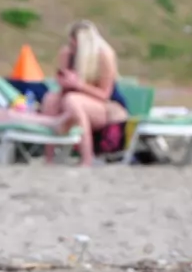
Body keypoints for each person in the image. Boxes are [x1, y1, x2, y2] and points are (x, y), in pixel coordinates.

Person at [40, 20, 129, 166]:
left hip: (105, 105)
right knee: (51, 99)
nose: (72, 49)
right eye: (71, 45)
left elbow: (105, 94)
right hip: (74, 97)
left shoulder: (104, 56)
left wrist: (79, 85)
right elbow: (61, 86)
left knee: (73, 101)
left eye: (75, 46)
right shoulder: (66, 53)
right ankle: (48, 157)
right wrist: (64, 82)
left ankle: (86, 157)